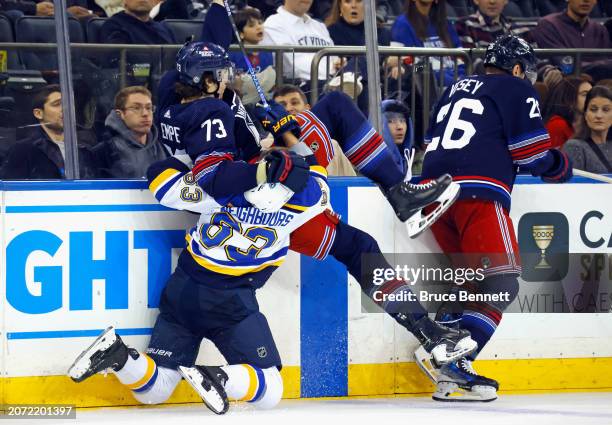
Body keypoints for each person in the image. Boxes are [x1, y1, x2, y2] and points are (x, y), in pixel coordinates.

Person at [67, 3, 477, 413]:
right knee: (335, 111)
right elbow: (237, 173)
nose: (230, 80)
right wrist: (276, 151)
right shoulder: (220, 123)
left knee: (357, 246)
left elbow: (179, 177)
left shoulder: (176, 109)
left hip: (228, 223)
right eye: (221, 77)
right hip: (268, 200)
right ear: (207, 83)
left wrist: (255, 126)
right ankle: (403, 208)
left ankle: (429, 330)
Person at [415, 35, 573, 402]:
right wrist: (559, 164)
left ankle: (447, 369)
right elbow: (531, 155)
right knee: (503, 283)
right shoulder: (516, 89)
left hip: (432, 195)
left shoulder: (454, 87)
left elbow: (435, 141)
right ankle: (456, 360)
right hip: (476, 194)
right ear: (517, 69)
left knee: (471, 285)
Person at [0, 85, 98, 179]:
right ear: (38, 113)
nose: (65, 109)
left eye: (68, 104)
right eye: (57, 104)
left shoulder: (85, 150)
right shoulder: (22, 151)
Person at [272, 84, 355, 176]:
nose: (288, 109)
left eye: (294, 103)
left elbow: (352, 185)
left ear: (307, 109)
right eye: (281, 106)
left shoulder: (331, 146)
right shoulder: (265, 147)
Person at [94, 86, 168, 178]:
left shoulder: (161, 147)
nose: (145, 114)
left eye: (149, 108)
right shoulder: (104, 151)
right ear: (120, 114)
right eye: (136, 108)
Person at [390, 0, 465, 84]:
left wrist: (458, 78)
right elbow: (405, 64)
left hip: (454, 83)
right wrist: (436, 74)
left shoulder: (446, 24)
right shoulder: (402, 24)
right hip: (425, 87)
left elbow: (461, 58)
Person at [262, 0, 335, 85]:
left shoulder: (319, 27)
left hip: (331, 84)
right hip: (300, 89)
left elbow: (335, 59)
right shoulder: (273, 24)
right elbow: (295, 67)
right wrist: (332, 71)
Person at [530, 0, 610, 73]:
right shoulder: (548, 25)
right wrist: (601, 65)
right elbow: (565, 66)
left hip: (599, 82)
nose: (586, 0)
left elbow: (608, 63)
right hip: (565, 82)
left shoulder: (600, 29)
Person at [228, 6, 276, 105]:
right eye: (251, 25)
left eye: (260, 23)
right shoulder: (232, 53)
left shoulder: (268, 52)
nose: (259, 27)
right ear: (241, 34)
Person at [563, 85, 612, 173]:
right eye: (593, 109)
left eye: (606, 110)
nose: (599, 115)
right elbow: (573, 185)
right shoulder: (574, 147)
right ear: (585, 115)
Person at [454, 0, 533, 49]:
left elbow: (534, 63)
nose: (492, 1)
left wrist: (545, 73)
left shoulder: (522, 31)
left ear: (506, 1)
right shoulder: (464, 26)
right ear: (476, 0)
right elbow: (473, 63)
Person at [542, 76, 593, 149]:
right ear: (569, 97)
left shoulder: (588, 123)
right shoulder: (557, 125)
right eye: (584, 94)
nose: (591, 99)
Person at [98, 0, 176, 43]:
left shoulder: (165, 29)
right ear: (124, 1)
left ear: (154, 2)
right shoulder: (114, 27)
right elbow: (119, 65)